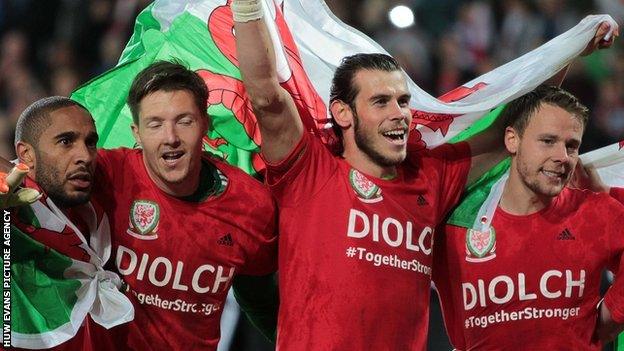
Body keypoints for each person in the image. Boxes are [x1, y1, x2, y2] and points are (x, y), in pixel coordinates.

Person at [231, 0, 617, 349]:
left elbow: (508, 130)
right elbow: (266, 93)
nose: (398, 113)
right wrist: (249, 8)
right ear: (343, 113)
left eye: (403, 101)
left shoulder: (430, 180)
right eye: (380, 102)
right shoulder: (311, 172)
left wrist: (567, 51)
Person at [92, 61, 278, 350]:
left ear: (205, 124)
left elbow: (261, 301)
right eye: (155, 124)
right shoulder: (105, 175)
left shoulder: (253, 205)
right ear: (136, 132)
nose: (170, 138)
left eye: (184, 121)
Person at [432, 85, 624, 350]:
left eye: (572, 146)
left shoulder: (594, 211)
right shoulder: (456, 223)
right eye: (548, 141)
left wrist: (611, 318)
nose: (562, 157)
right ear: (512, 140)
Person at [0, 97, 131, 350]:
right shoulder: (12, 208)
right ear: (26, 154)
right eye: (65, 141)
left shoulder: (98, 204)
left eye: (91, 142)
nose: (85, 155)